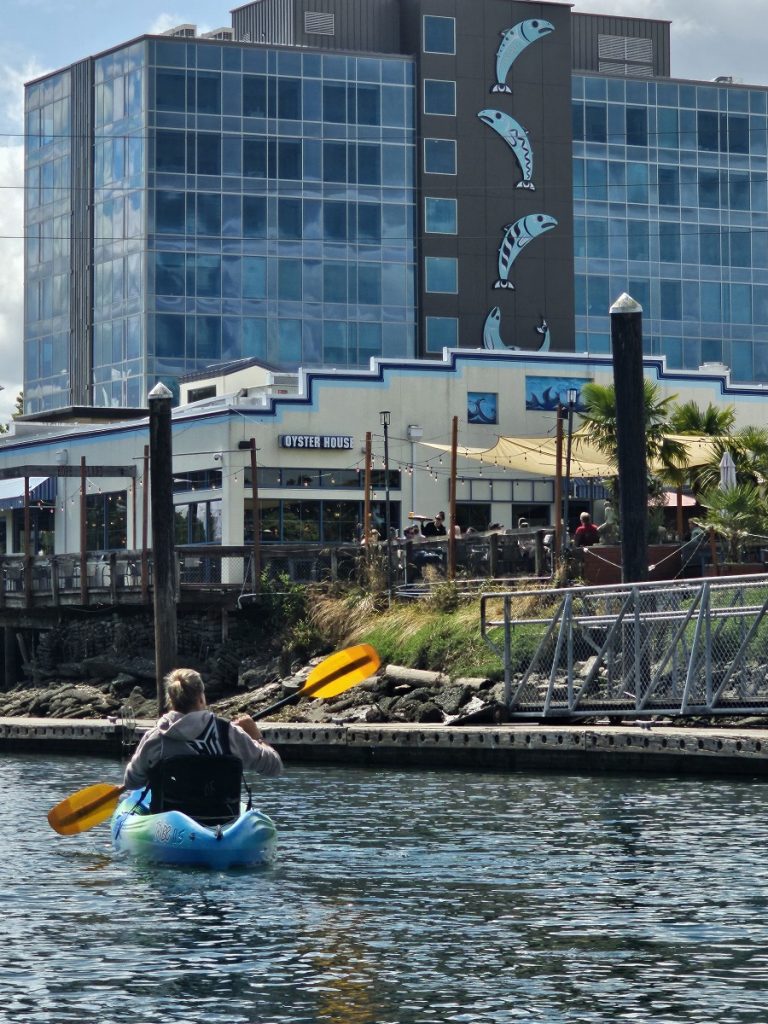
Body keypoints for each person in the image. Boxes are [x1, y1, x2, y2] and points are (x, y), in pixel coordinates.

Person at [123, 668, 282, 793]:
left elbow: (132, 782)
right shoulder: (228, 733)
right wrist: (256, 737)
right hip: (220, 817)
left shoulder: (155, 738)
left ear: (171, 701)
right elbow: (274, 767)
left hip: (172, 820)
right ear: (201, 698)